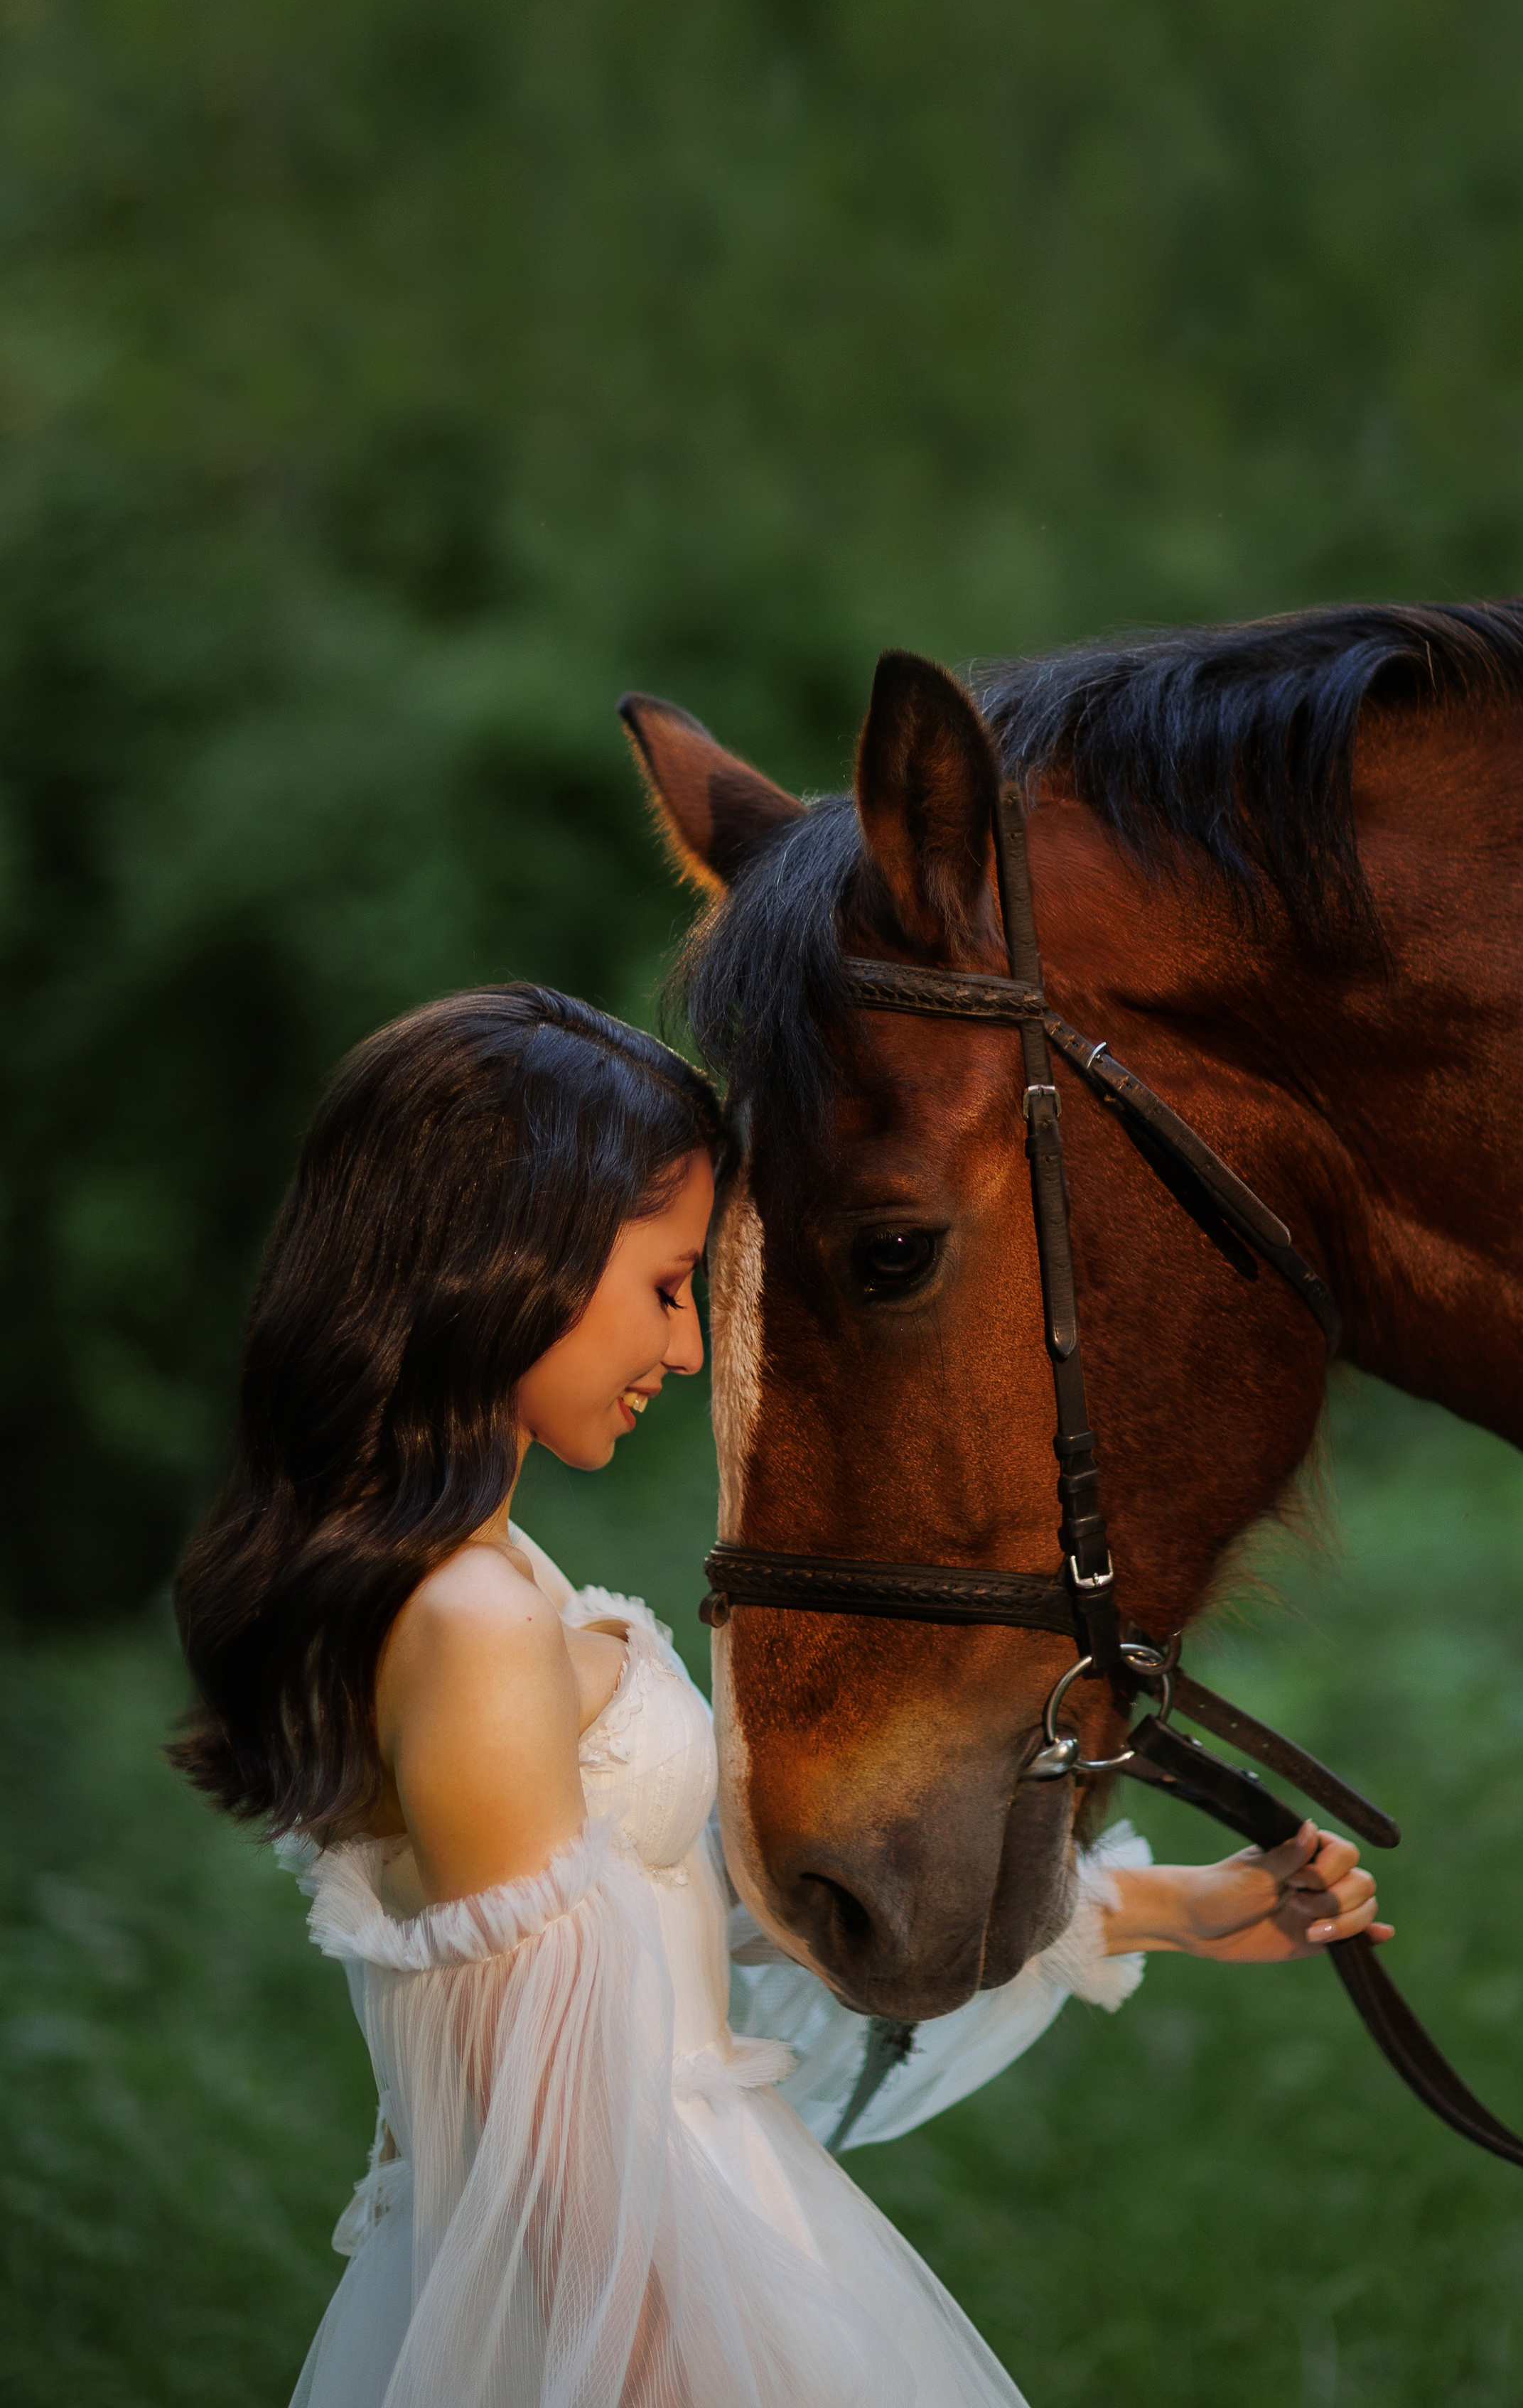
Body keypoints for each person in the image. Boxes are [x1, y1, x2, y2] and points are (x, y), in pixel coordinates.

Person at [171, 985, 1389, 2408]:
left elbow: (664, 1920)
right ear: (510, 1257)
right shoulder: (476, 1624)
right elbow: (555, 2165)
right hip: (640, 2316)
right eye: (667, 1287)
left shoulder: (483, 1581)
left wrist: (1156, 1910)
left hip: (693, 2250)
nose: (685, 1353)